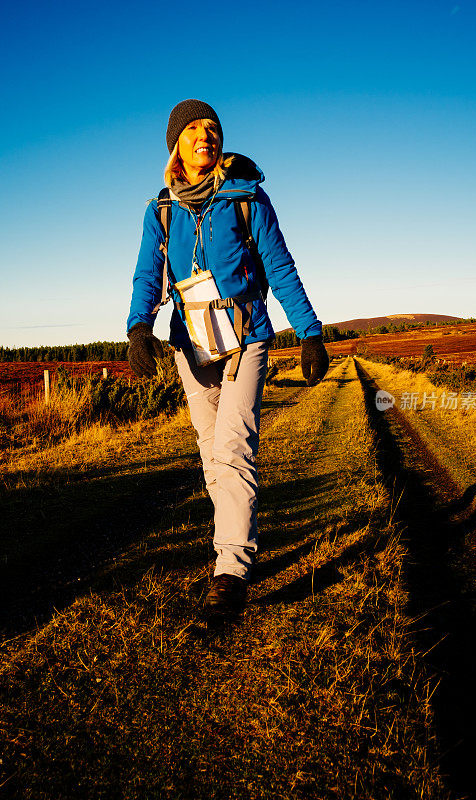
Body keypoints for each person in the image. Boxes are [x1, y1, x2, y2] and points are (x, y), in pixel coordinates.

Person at [127, 99, 329, 618]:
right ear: (176, 144)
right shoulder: (160, 210)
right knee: (212, 455)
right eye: (192, 129)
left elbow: (281, 268)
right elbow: (148, 276)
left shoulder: (248, 199)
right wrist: (137, 327)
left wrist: (309, 333)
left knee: (234, 447)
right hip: (190, 345)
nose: (205, 135)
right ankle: (233, 540)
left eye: (212, 127)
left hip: (246, 339)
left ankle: (230, 572)